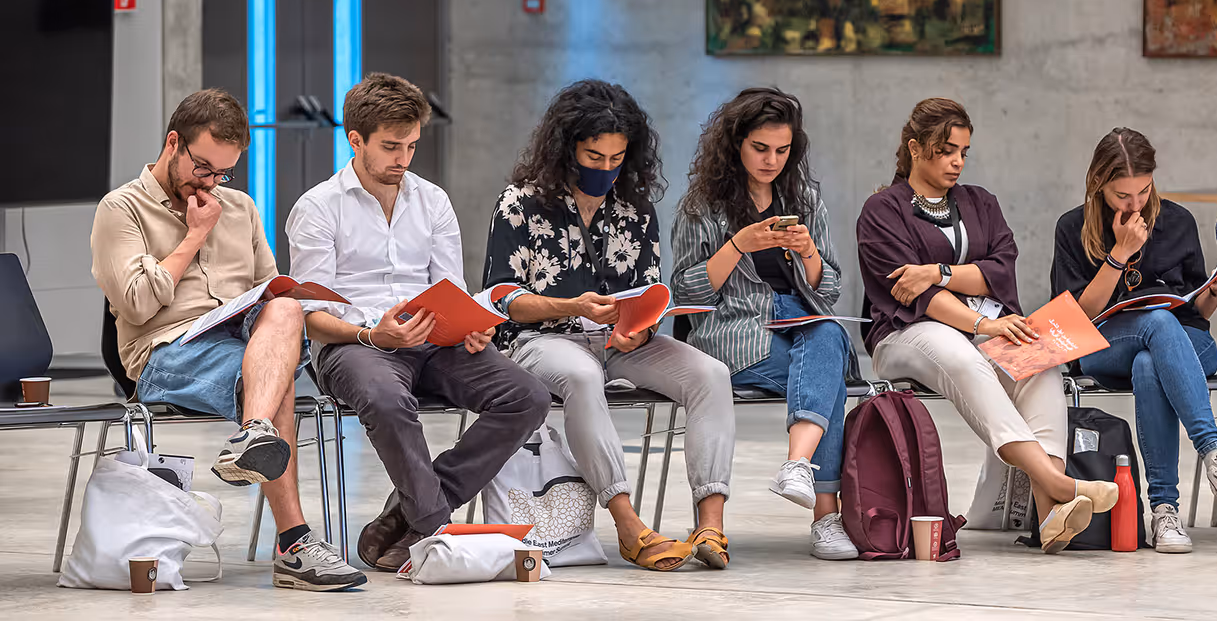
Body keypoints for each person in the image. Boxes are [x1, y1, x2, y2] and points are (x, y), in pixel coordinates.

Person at [90, 90, 365, 591]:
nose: (212, 183)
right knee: (276, 380)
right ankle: (295, 546)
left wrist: (275, 299)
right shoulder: (121, 209)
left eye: (223, 173)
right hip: (163, 350)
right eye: (202, 168)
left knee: (284, 308)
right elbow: (133, 306)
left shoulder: (239, 207)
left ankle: (253, 433)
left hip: (239, 343)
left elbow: (271, 286)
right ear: (172, 143)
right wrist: (194, 236)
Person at [286, 73, 552, 571]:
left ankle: (405, 516)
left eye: (411, 146)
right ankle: (435, 532)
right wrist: (372, 333)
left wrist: (472, 324)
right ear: (355, 140)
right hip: (355, 345)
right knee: (388, 399)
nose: (403, 159)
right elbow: (312, 318)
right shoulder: (318, 209)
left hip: (435, 341)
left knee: (527, 396)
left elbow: (448, 290)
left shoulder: (432, 201)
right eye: (391, 147)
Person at [482, 79, 735, 571]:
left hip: (619, 342)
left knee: (711, 375)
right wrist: (568, 305)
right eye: (594, 157)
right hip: (541, 340)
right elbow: (502, 298)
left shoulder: (635, 209)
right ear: (565, 148)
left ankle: (711, 524)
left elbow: (648, 290)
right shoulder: (520, 203)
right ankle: (627, 524)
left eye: (617, 159)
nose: (605, 169)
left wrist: (638, 329)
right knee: (582, 376)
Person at [857, 98, 1118, 555]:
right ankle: (1059, 481)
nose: (958, 160)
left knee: (1039, 360)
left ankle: (1051, 510)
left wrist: (936, 271)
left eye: (964, 151)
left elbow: (1000, 268)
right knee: (959, 354)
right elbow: (915, 296)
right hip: (904, 333)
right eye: (946, 150)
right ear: (916, 149)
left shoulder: (980, 202)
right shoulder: (882, 210)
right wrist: (979, 319)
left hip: (982, 326)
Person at [1051, 127, 1217, 553]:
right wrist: (1119, 256)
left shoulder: (1177, 221)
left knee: (1152, 356)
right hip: (1104, 346)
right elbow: (1078, 319)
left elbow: (1197, 313)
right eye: (1122, 195)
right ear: (1098, 185)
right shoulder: (1072, 227)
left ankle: (1164, 513)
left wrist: (1215, 292)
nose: (1135, 204)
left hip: (1186, 342)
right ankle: (1214, 451)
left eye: (1143, 192)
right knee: (1157, 324)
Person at [671, 88, 859, 561]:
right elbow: (688, 296)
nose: (771, 160)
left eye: (782, 149)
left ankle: (797, 464)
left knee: (828, 336)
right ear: (736, 143)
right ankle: (825, 515)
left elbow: (829, 288)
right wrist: (738, 244)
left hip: (803, 323)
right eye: (760, 148)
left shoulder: (804, 197)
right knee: (828, 368)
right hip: (736, 333)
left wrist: (808, 251)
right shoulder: (702, 206)